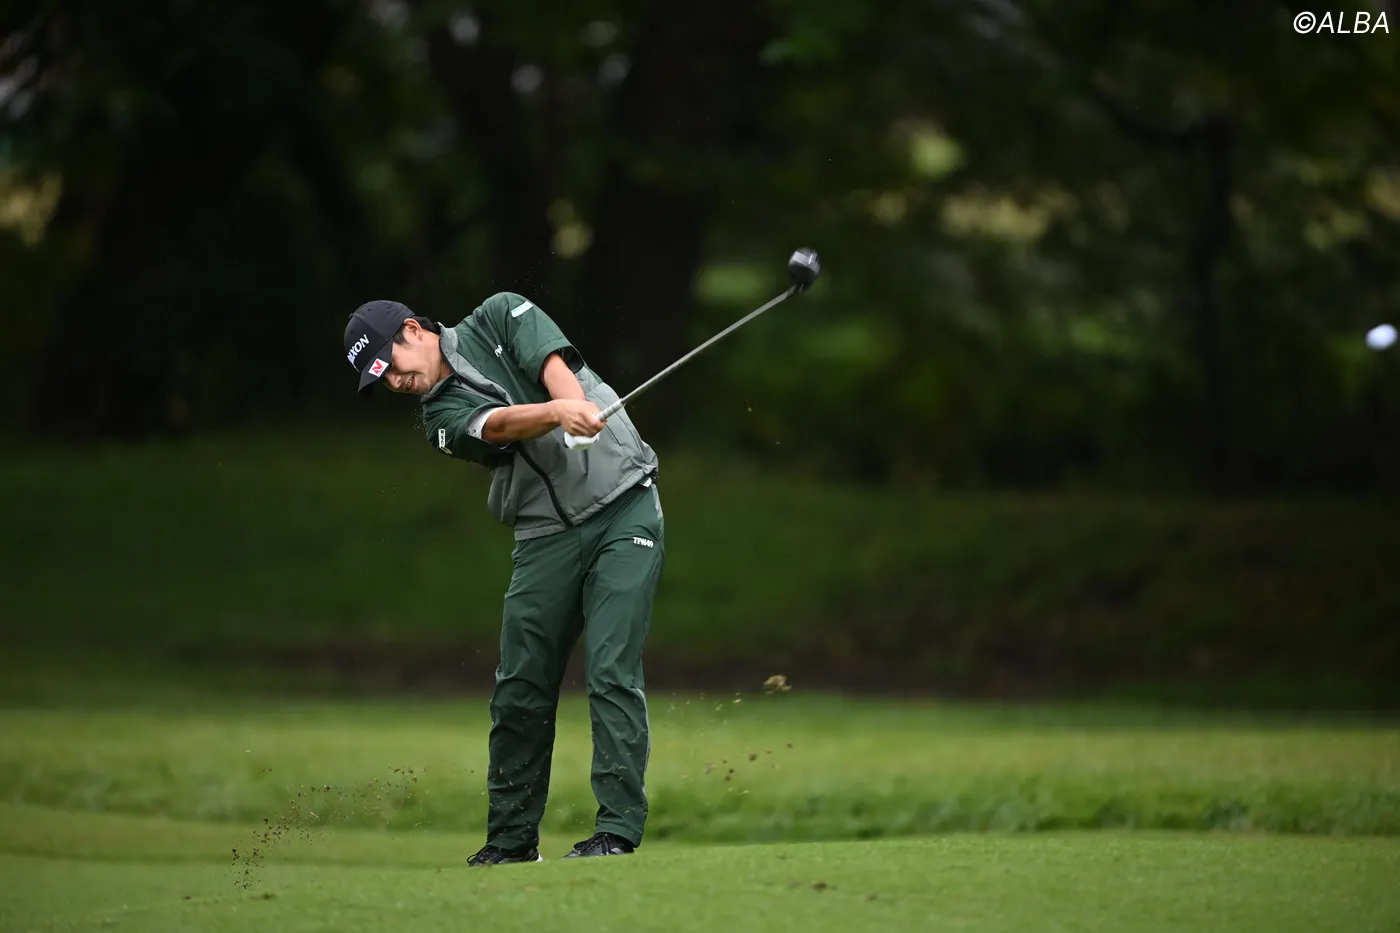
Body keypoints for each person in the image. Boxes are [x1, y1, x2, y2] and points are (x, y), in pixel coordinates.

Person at [343, 293, 664, 864]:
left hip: (624, 504)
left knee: (611, 667)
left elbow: (552, 363)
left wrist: (572, 404)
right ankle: (512, 842)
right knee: (520, 686)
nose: (394, 382)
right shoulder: (438, 421)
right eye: (381, 380)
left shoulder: (500, 314)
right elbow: (495, 426)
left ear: (413, 329)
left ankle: (616, 831)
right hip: (545, 536)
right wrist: (558, 415)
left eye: (391, 366)